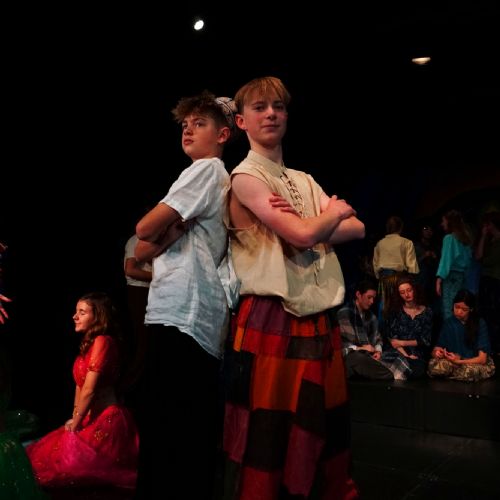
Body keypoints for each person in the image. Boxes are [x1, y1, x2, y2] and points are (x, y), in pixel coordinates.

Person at [223, 76, 364, 499]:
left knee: (324, 425)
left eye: (278, 107)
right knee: (270, 431)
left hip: (318, 315)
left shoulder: (303, 178)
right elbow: (304, 236)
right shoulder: (245, 176)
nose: (271, 114)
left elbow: (357, 228)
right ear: (241, 121)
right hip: (272, 314)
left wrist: (309, 224)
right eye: (260, 107)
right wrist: (329, 215)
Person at [133, 91, 237, 499]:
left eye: (200, 124)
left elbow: (143, 230)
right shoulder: (212, 176)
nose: (188, 130)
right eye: (185, 125)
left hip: (184, 311)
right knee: (184, 424)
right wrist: (170, 233)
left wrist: (162, 231)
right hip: (191, 313)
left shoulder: (206, 170)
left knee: (171, 427)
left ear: (223, 134)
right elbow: (142, 252)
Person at [26, 292, 139, 490]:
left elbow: (89, 390)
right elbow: (80, 386)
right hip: (87, 418)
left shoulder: (103, 341)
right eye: (76, 311)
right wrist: (75, 419)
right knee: (43, 461)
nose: (74, 316)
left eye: (82, 312)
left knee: (74, 471)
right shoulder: (88, 345)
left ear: (97, 317)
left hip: (106, 420)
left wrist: (76, 422)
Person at [428, 289, 495, 382]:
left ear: (471, 309)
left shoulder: (480, 323)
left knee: (469, 371)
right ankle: (456, 374)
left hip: (473, 363)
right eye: (457, 307)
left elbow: (482, 359)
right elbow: (437, 348)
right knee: (433, 365)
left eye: (464, 309)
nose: (459, 312)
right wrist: (437, 353)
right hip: (453, 361)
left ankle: (452, 374)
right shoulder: (449, 323)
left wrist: (459, 361)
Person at [338, 280, 394, 380]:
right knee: (358, 359)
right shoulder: (345, 313)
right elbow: (343, 344)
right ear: (358, 295)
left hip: (369, 355)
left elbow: (378, 339)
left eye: (373, 298)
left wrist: (378, 351)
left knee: (393, 356)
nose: (372, 302)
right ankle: (388, 374)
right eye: (369, 297)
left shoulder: (372, 317)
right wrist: (361, 348)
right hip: (351, 355)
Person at [380, 276, 432, 380]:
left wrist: (403, 342)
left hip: (417, 354)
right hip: (398, 352)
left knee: (418, 370)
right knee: (390, 361)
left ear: (414, 289)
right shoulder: (395, 311)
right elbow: (393, 341)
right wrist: (406, 355)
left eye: (409, 290)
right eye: (402, 292)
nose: (407, 295)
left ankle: (399, 372)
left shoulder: (427, 312)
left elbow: (425, 340)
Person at [373, 216, 419, 323]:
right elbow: (412, 266)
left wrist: (379, 276)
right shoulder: (406, 242)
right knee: (400, 305)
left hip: (384, 278)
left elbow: (375, 264)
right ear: (400, 228)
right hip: (400, 278)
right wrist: (412, 279)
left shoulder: (380, 243)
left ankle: (383, 330)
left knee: (384, 306)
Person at [122, 233, 152, 387]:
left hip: (149, 292)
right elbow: (130, 270)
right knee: (143, 340)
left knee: (147, 341)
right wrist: (159, 276)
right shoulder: (137, 240)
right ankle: (130, 385)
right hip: (139, 291)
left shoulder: (156, 239)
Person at [436, 209, 473, 320]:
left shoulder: (449, 238)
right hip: (462, 278)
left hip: (451, 278)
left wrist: (439, 278)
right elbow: (469, 262)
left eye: (443, 221)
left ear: (449, 222)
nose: (442, 224)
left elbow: (445, 260)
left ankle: (451, 330)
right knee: (461, 309)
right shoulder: (465, 240)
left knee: (449, 309)